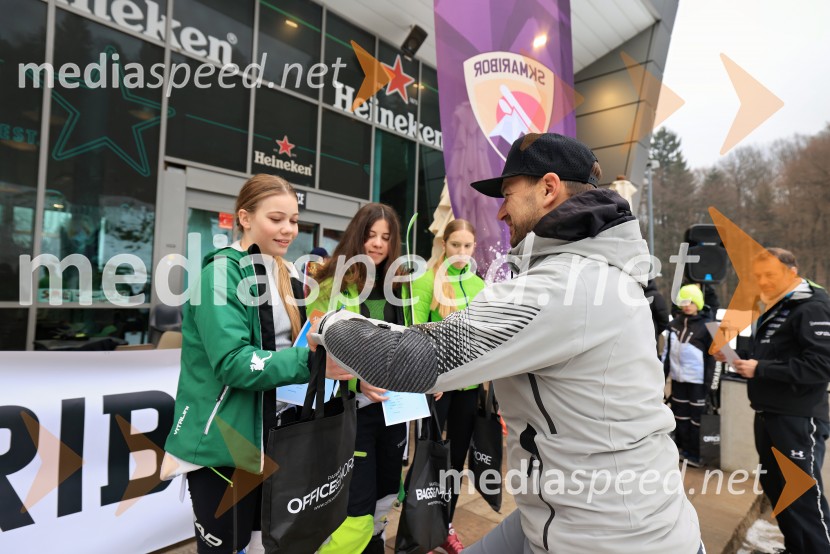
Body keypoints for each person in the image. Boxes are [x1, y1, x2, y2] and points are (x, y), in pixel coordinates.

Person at [311, 133, 702, 553]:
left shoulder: (561, 285)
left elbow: (411, 359)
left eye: (508, 194)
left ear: (548, 188)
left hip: (612, 538)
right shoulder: (592, 270)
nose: (500, 211)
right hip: (579, 513)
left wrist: (331, 321)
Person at [161, 174, 345, 554]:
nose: (289, 229)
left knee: (267, 544)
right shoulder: (220, 275)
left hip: (277, 436)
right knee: (226, 548)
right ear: (244, 218)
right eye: (276, 219)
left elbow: (294, 344)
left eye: (294, 220)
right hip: (225, 443)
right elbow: (233, 362)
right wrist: (310, 361)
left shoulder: (288, 273)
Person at [308, 203, 410, 554]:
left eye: (385, 237)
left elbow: (409, 340)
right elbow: (316, 349)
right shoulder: (332, 281)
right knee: (356, 510)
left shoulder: (399, 284)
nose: (378, 244)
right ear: (357, 234)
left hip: (396, 411)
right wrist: (358, 380)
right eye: (370, 235)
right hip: (352, 413)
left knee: (385, 498)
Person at [715, 247, 830, 552]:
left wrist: (761, 367)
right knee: (779, 492)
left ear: (792, 273)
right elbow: (770, 359)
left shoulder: (813, 307)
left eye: (771, 275)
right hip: (769, 413)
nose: (763, 282)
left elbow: (822, 365)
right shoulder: (776, 309)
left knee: (804, 498)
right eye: (759, 276)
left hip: (799, 416)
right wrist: (737, 359)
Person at [410, 218, 486, 553]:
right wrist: (430, 376)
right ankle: (418, 528)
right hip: (437, 385)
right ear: (444, 244)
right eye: (456, 244)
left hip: (469, 388)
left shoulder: (480, 285)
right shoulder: (427, 280)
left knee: (455, 461)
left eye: (468, 246)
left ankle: (444, 526)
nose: (462, 252)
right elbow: (415, 333)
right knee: (427, 456)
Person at [663, 284, 714, 467]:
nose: (687, 305)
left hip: (698, 382)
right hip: (678, 380)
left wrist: (709, 385)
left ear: (698, 303)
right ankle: (681, 449)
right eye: (684, 301)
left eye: (691, 301)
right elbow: (666, 354)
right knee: (680, 416)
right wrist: (662, 377)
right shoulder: (673, 325)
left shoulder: (709, 326)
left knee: (697, 419)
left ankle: (697, 453)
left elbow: (713, 358)